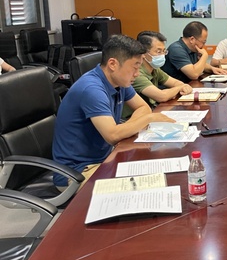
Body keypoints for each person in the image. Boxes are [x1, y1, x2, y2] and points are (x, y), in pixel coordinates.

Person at [52, 34, 173, 187]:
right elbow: (112, 135)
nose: (137, 73)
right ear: (113, 64)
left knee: (159, 172)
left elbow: (143, 107)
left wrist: (128, 126)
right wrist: (148, 119)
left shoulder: (120, 82)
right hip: (78, 172)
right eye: (135, 67)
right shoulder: (91, 89)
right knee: (144, 186)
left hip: (105, 158)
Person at [121, 31, 193, 119]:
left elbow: (177, 83)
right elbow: (162, 96)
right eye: (158, 52)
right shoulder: (136, 73)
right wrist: (178, 88)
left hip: (150, 112)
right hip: (131, 119)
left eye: (164, 51)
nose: (162, 55)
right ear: (144, 53)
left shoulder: (154, 69)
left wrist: (180, 87)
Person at [163, 21, 227, 83]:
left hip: (187, 85)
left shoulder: (193, 48)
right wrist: (205, 56)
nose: (204, 45)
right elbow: (194, 74)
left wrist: (212, 69)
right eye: (203, 42)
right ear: (192, 39)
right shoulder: (176, 50)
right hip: (172, 88)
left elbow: (198, 65)